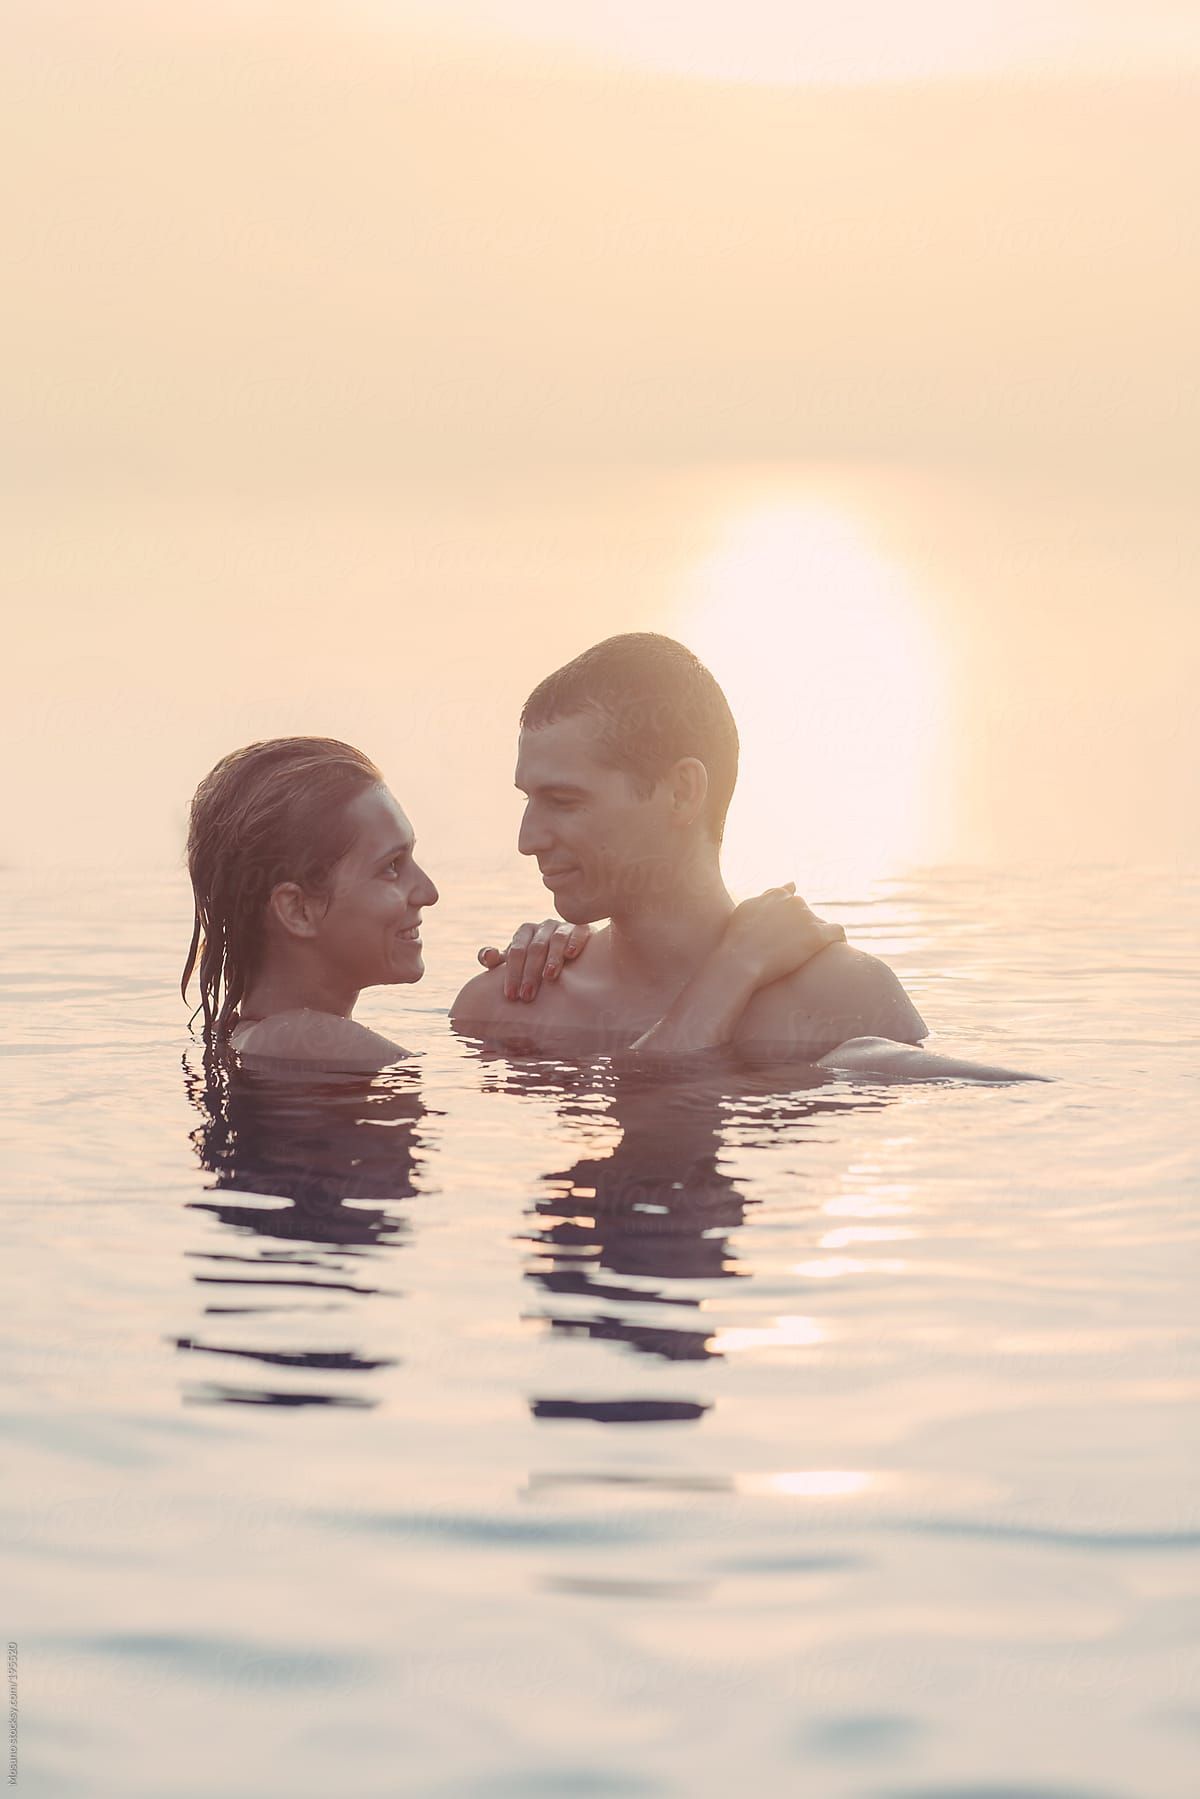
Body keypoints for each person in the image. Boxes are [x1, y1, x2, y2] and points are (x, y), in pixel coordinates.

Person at [452, 634, 1038, 1080]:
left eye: (563, 801)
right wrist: (734, 967)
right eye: (530, 801)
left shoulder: (845, 999)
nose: (528, 839)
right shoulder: (506, 1007)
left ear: (682, 792)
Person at [182, 735, 842, 1074]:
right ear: (296, 911)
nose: (427, 891)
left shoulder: (267, 1040)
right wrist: (739, 960)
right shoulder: (297, 1037)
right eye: (391, 867)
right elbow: (647, 1086)